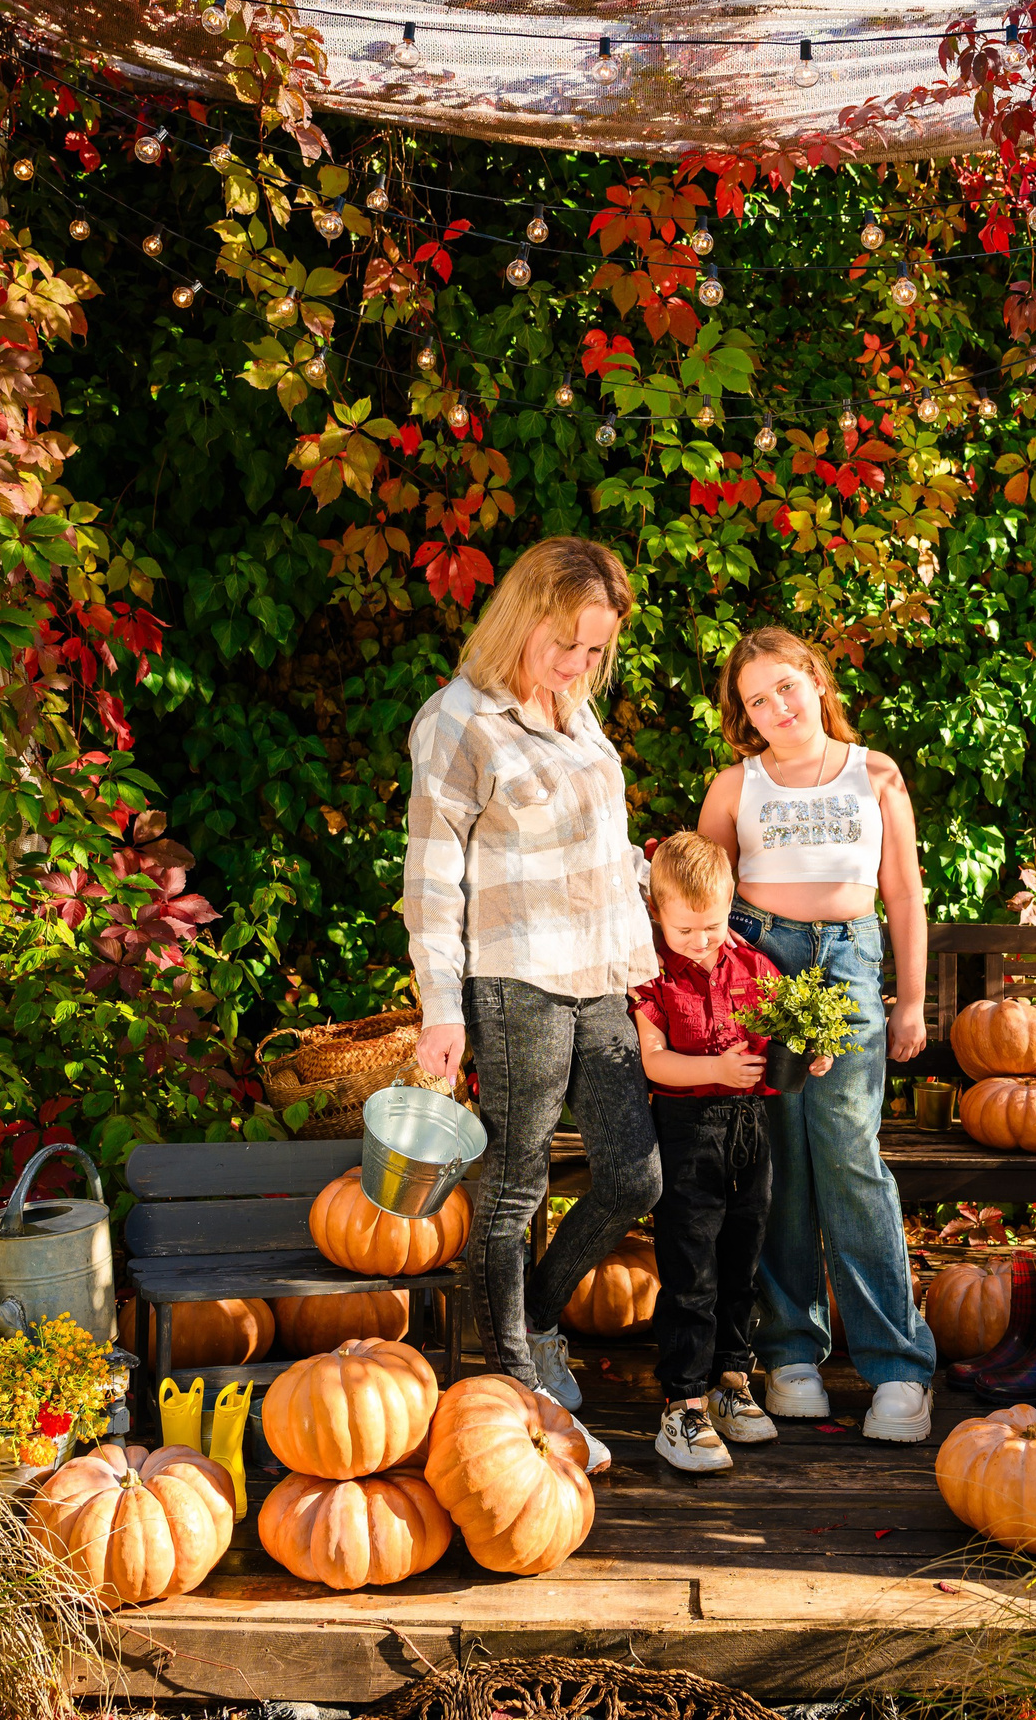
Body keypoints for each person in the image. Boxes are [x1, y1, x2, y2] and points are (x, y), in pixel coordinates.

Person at [405, 536, 661, 1471]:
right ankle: (511, 1388)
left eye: (595, 651)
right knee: (512, 1187)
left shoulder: (574, 709)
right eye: (566, 644)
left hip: (599, 972)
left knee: (635, 1178)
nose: (579, 666)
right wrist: (443, 1007)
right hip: (514, 978)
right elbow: (431, 881)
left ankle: (538, 1322)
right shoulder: (459, 721)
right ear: (523, 616)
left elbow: (594, 846)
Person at [698, 627, 938, 1442]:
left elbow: (902, 891)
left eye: (786, 688)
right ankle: (791, 1352)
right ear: (744, 717)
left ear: (816, 679)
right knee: (775, 1158)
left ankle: (899, 1367)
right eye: (756, 701)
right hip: (759, 961)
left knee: (847, 1151)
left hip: (848, 963)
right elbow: (702, 903)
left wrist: (910, 999)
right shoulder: (736, 787)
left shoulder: (876, 774)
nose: (776, 709)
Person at [628, 832, 832, 1473]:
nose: (701, 940)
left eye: (713, 926)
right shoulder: (650, 973)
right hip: (688, 1131)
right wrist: (714, 1065)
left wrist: (811, 1053)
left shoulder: (755, 967)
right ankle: (681, 1405)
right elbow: (653, 1060)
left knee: (743, 1263)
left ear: (729, 907)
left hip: (750, 1131)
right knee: (692, 1272)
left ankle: (731, 1384)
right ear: (659, 914)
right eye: (686, 928)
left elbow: (780, 1046)